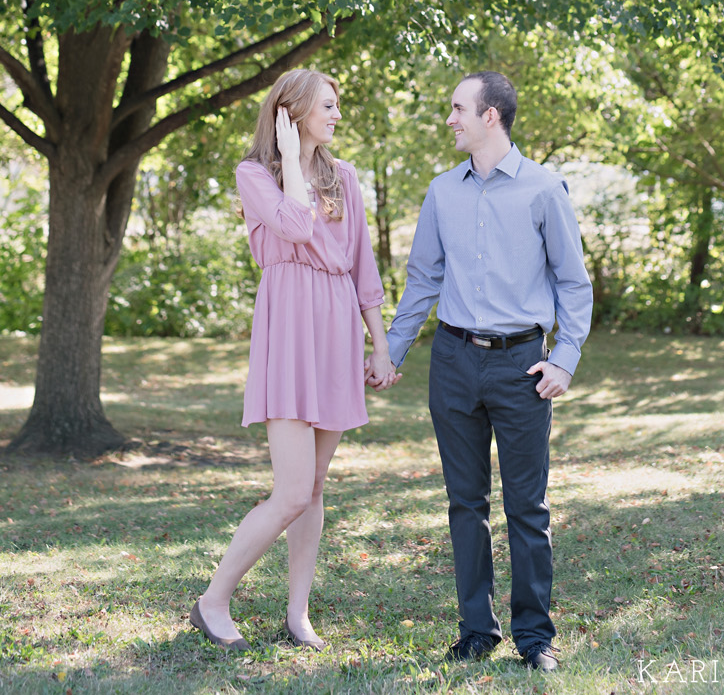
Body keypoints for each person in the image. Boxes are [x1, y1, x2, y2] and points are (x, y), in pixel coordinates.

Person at [367, 71, 592, 673]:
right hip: (454, 361)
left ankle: (534, 637)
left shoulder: (545, 189)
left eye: (458, 109)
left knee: (527, 507)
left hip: (524, 365)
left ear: (490, 116)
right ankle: (475, 629)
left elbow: (574, 283)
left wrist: (564, 360)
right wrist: (392, 350)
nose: (450, 120)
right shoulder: (442, 192)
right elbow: (423, 281)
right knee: (464, 503)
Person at [191, 69, 399, 653]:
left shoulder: (346, 178)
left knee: (314, 486)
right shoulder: (254, 174)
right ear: (292, 111)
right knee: (291, 490)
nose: (337, 116)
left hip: (336, 327)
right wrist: (287, 153)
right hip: (287, 327)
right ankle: (212, 600)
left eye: (337, 107)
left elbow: (363, 268)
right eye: (327, 107)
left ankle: (297, 612)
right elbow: (293, 224)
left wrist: (378, 345)